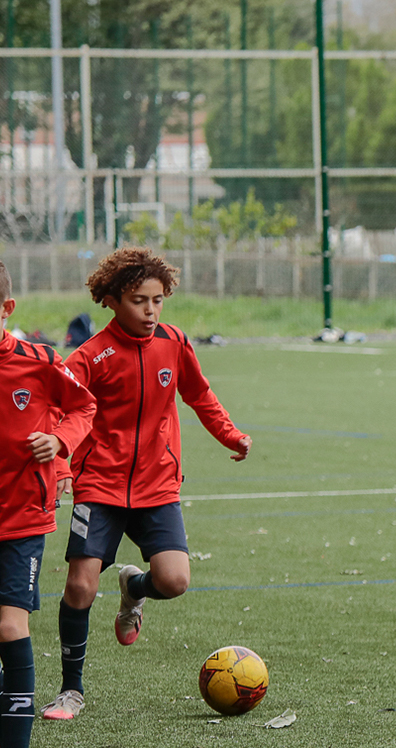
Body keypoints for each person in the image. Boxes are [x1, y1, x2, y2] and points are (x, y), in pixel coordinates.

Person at [38, 249, 251, 723]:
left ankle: (134, 588)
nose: (151, 311)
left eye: (158, 300)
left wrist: (230, 434)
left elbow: (198, 394)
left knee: (174, 581)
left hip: (158, 485)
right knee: (79, 586)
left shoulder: (174, 342)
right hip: (99, 487)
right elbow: (58, 414)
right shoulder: (90, 357)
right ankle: (70, 691)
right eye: (139, 300)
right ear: (112, 301)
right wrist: (62, 471)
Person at [0, 260, 97, 748]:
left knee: (10, 628)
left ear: (7, 311)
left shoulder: (37, 362)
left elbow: (83, 405)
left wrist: (59, 441)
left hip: (20, 520)